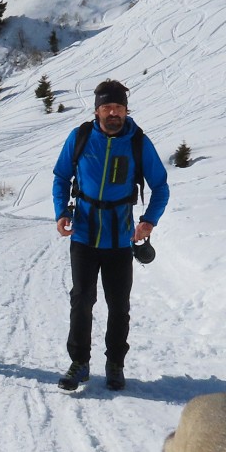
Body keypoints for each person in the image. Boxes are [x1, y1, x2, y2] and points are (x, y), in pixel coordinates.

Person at [51, 79, 169, 391]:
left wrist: (149, 221)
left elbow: (161, 186)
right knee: (81, 300)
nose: (113, 112)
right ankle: (79, 363)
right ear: (97, 110)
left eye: (118, 107)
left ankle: (115, 364)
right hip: (84, 235)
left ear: (126, 110)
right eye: (107, 107)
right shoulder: (81, 137)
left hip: (120, 238)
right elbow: (61, 176)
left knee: (119, 306)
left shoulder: (138, 142)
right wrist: (61, 212)